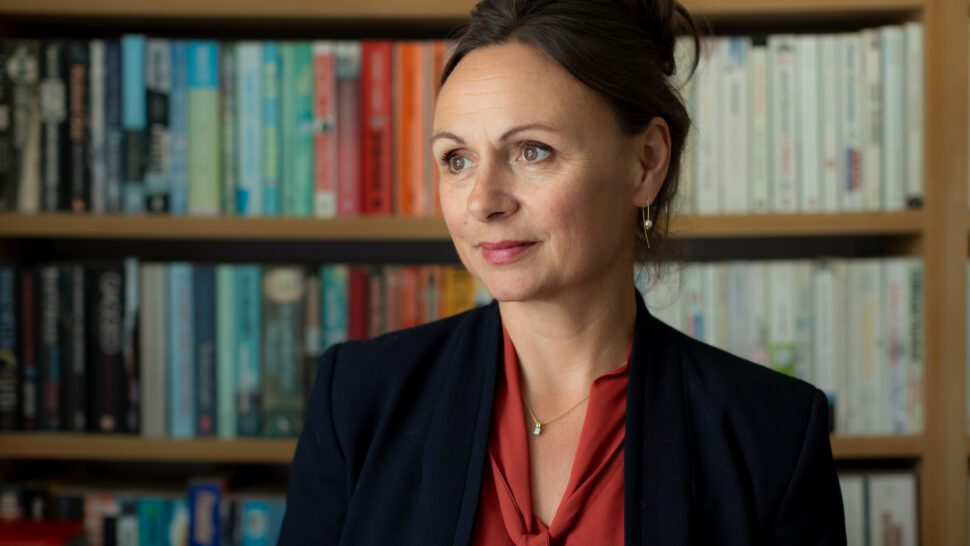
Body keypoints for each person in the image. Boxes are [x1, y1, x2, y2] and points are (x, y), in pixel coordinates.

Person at [279, 0, 846, 544]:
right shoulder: (358, 399)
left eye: (532, 151)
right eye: (457, 159)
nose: (482, 202)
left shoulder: (774, 434)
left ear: (646, 161)